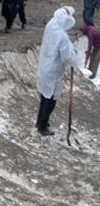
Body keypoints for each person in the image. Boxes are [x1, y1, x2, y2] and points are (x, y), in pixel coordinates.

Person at [36, 7, 80, 136]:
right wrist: (75, 58)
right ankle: (42, 126)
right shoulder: (61, 36)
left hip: (45, 66)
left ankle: (41, 122)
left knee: (45, 97)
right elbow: (66, 56)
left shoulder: (51, 26)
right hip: (53, 70)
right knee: (50, 99)